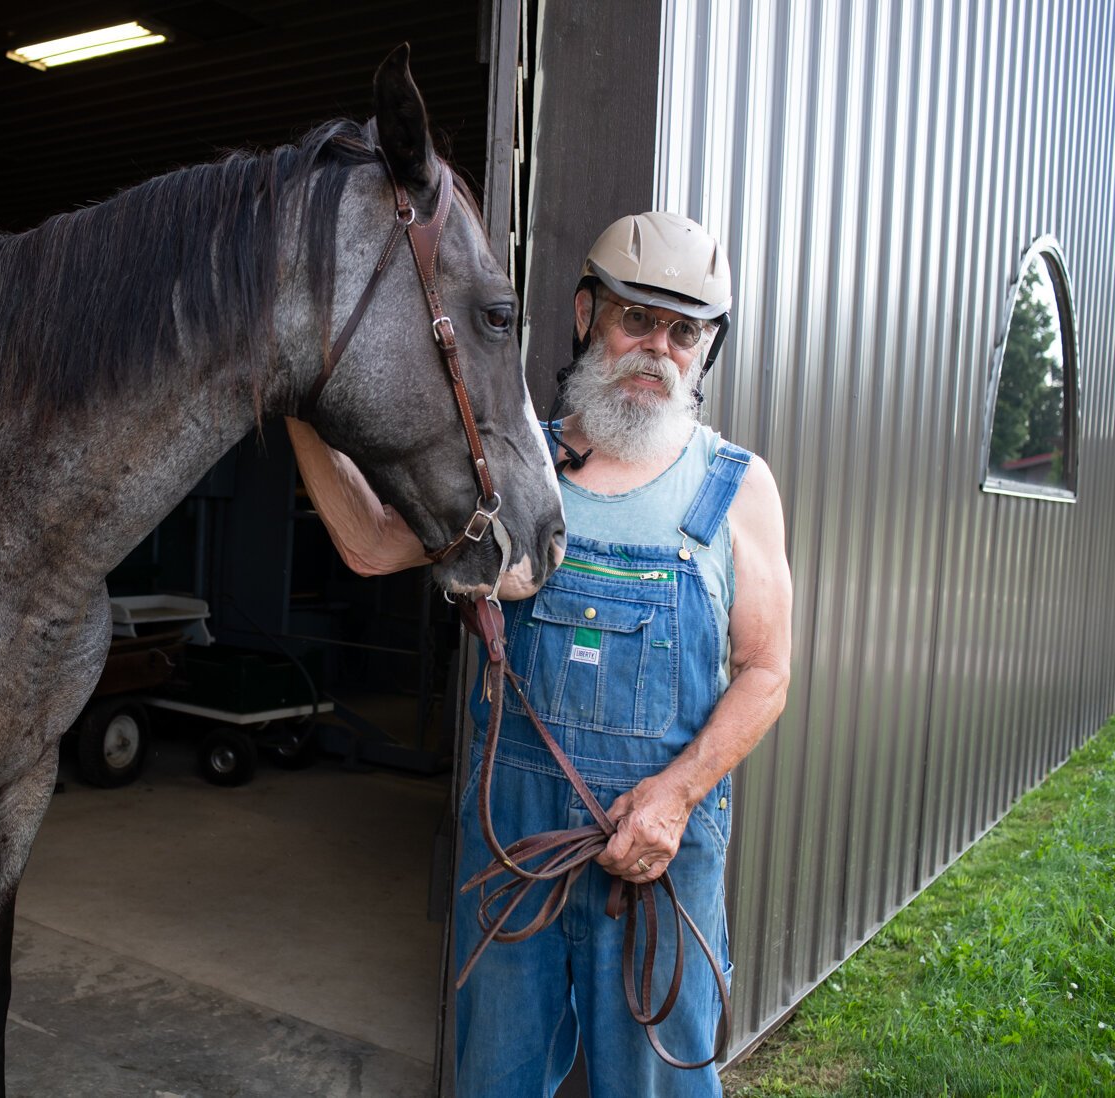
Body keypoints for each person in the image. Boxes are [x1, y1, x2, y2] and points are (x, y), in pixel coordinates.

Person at [286, 211, 792, 1097]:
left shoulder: (736, 487)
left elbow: (767, 673)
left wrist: (674, 799)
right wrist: (295, 396)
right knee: (496, 1079)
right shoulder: (509, 469)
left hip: (657, 857)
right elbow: (369, 544)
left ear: (707, 350)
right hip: (513, 839)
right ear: (585, 312)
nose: (657, 350)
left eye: (685, 332)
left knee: (657, 1087)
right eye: (638, 318)